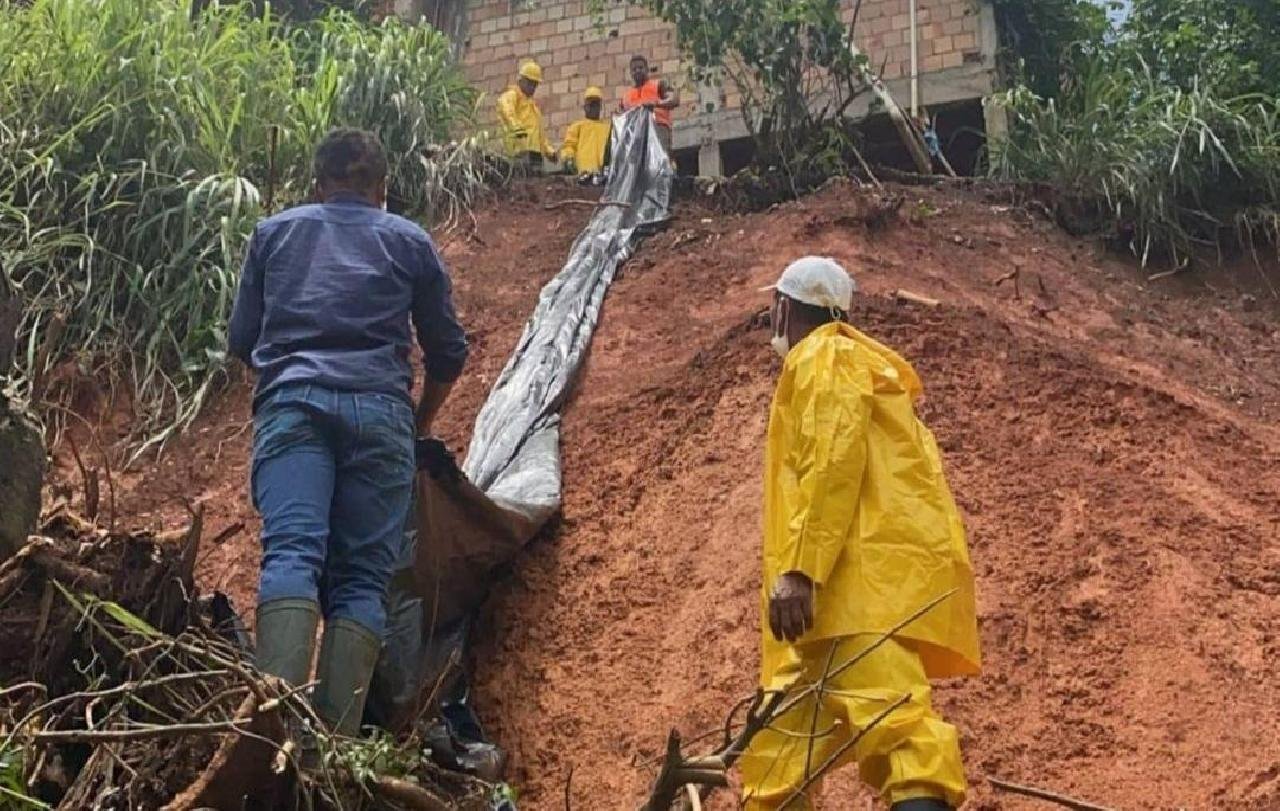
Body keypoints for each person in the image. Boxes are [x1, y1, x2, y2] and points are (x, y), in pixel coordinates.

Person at [228, 128, 467, 736]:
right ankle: (332, 753)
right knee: (363, 578)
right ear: (382, 189)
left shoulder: (273, 233)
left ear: (317, 184)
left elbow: (240, 342)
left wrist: (292, 377)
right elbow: (447, 353)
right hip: (380, 415)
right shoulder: (409, 240)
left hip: (294, 406)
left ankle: (269, 734)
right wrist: (418, 422)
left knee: (292, 552)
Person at [739, 257, 981, 810]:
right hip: (831, 607)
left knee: (897, 729)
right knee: (778, 750)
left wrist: (801, 568)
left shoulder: (826, 355)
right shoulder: (845, 367)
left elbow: (832, 457)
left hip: (858, 593)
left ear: (781, 309)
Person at [497, 60, 556, 170]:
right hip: (518, 153)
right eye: (530, 83)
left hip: (535, 155)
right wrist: (515, 126)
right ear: (521, 80)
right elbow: (506, 108)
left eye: (535, 84)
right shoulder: (512, 95)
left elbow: (541, 136)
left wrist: (549, 151)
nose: (532, 87)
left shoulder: (534, 109)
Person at [619, 54, 678, 158]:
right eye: (634, 69)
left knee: (660, 163)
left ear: (647, 69)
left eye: (640, 68)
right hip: (636, 136)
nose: (637, 71)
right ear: (630, 73)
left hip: (658, 129)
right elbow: (621, 119)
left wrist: (656, 104)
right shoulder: (626, 97)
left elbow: (675, 100)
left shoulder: (658, 85)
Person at [560, 86, 612, 181]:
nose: (593, 108)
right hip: (583, 176)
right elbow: (569, 146)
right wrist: (569, 158)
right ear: (585, 107)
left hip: (601, 177)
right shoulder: (577, 126)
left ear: (600, 107)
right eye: (590, 104)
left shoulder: (607, 129)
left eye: (596, 104)